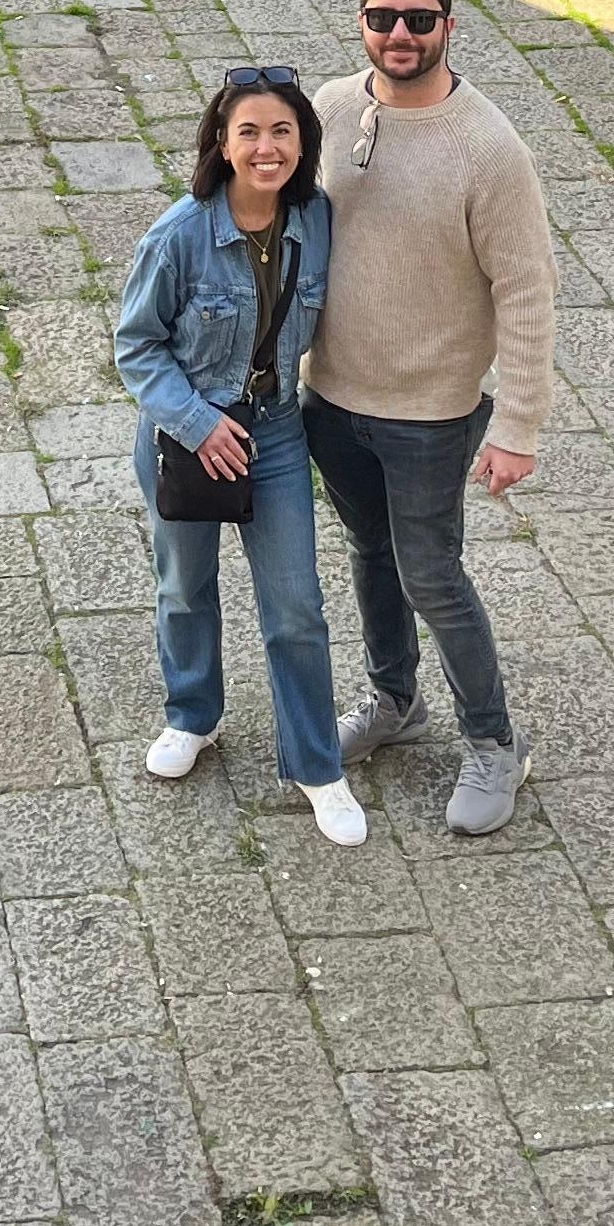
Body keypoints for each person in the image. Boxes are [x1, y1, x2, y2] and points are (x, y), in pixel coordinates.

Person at [303, 0, 555, 838]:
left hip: (432, 414)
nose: (399, 35)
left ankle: (494, 743)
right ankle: (394, 701)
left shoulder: (489, 148)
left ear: (451, 22)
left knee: (433, 576)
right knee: (371, 556)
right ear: (361, 22)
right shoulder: (333, 112)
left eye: (418, 19)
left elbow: (525, 289)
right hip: (332, 399)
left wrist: (518, 423)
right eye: (382, 19)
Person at [114, 68, 366, 847]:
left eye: (282, 132)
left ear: (303, 144)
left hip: (276, 432)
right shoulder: (179, 235)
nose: (267, 147)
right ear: (221, 145)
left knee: (296, 606)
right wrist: (196, 423)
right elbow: (136, 346)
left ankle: (317, 764)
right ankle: (193, 716)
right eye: (249, 132)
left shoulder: (316, 219)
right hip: (188, 436)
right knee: (184, 587)